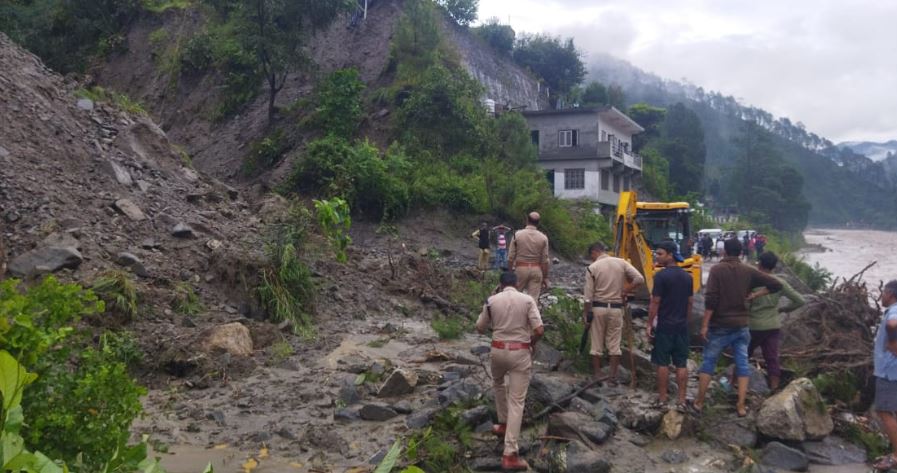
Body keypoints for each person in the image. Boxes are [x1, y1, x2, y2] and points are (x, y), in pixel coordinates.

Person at [693, 238, 783, 417]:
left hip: (720, 326)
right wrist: (756, 294)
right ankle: (741, 406)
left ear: (724, 251)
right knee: (742, 364)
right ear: (741, 252)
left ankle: (699, 402)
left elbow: (711, 299)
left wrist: (704, 325)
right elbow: (776, 284)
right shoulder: (748, 271)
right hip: (742, 326)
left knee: (709, 362)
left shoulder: (717, 270)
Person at [476, 271, 544, 471]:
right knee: (517, 401)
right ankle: (510, 453)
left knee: (498, 384)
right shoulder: (527, 300)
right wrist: (531, 343)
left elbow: (479, 327)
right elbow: (539, 330)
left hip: (497, 350)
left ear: (500, 284)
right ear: (516, 283)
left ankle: (503, 423)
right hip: (519, 352)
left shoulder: (491, 300)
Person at [583, 241, 645, 384]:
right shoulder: (621, 263)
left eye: (591, 255)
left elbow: (587, 297)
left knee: (597, 342)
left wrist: (586, 314)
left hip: (599, 308)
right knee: (614, 343)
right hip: (617, 308)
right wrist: (625, 290)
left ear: (594, 252)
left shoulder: (592, 267)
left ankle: (598, 375)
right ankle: (613, 376)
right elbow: (639, 278)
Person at [747, 251, 806, 391]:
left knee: (743, 356)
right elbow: (800, 300)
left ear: (759, 264)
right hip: (773, 325)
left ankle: (734, 384)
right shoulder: (780, 282)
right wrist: (784, 309)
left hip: (753, 325)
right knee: (772, 358)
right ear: (773, 266)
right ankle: (774, 389)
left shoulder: (753, 281)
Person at [647, 241, 694, 408]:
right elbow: (690, 302)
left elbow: (655, 302)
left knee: (662, 363)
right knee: (681, 364)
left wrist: (649, 324)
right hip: (681, 327)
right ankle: (681, 400)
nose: (656, 256)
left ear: (670, 255)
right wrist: (686, 321)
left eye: (660, 254)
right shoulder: (687, 277)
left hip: (665, 326)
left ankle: (662, 398)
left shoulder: (660, 276)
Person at [508, 212, 550, 301]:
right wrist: (545, 277)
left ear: (527, 220)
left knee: (515, 297)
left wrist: (510, 272)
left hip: (520, 268)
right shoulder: (543, 238)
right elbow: (545, 260)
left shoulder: (517, 235)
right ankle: (531, 314)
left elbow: (510, 257)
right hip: (536, 269)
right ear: (538, 223)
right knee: (533, 300)